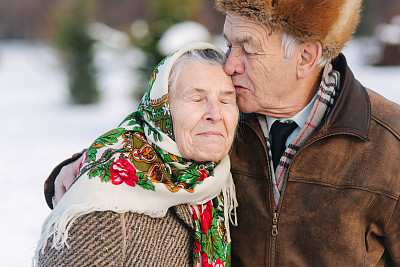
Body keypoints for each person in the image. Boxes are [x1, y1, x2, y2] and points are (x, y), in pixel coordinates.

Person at [44, 0, 400, 265]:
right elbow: (154, 137)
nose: (229, 63)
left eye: (248, 47)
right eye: (230, 43)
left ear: (306, 58)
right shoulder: (224, 119)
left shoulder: (388, 145)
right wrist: (86, 164)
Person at [34, 42, 239, 266]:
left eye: (226, 100)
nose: (216, 114)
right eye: (197, 99)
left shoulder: (228, 173)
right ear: (162, 110)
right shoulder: (102, 205)